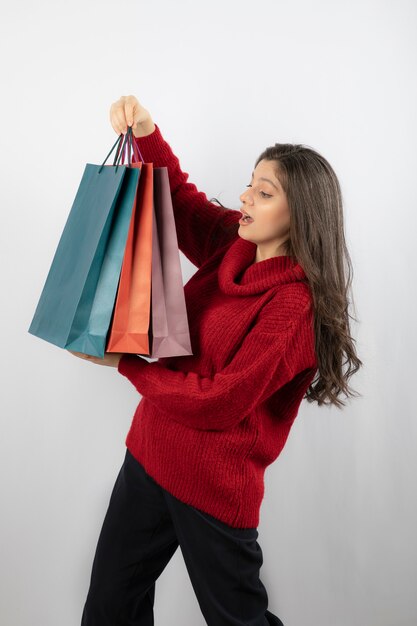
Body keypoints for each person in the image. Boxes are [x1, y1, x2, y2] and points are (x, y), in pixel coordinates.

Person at [70, 94, 363, 625]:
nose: (247, 196)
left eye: (265, 191)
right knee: (109, 608)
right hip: (150, 454)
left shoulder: (294, 307)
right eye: (252, 183)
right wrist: (147, 131)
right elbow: (178, 202)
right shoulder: (235, 241)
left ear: (301, 216)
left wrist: (127, 364)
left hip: (212, 486)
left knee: (239, 622)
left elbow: (221, 402)